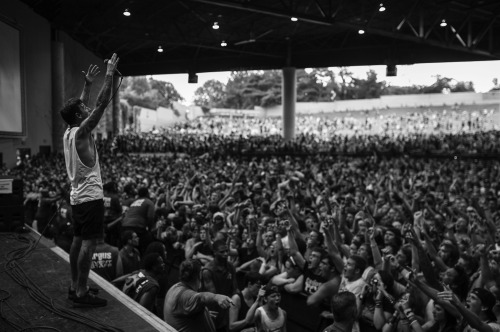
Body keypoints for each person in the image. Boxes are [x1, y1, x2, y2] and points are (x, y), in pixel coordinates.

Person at [60, 54, 119, 307]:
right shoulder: (83, 131)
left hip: (76, 196)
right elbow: (102, 103)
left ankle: (75, 285)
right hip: (90, 196)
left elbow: (81, 105)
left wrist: (87, 85)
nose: (86, 107)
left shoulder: (69, 131)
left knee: (77, 240)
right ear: (78, 116)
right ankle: (82, 292)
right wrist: (109, 74)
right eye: (83, 109)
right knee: (89, 243)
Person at [163, 259, 234, 332]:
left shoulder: (175, 287)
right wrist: (216, 297)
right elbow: (201, 297)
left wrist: (205, 314)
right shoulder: (185, 295)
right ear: (199, 275)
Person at [202, 239, 239, 332]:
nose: (226, 254)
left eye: (227, 251)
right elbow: (213, 298)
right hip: (214, 310)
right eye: (222, 252)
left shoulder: (231, 266)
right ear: (214, 252)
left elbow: (235, 289)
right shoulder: (207, 270)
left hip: (228, 307)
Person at [121, 186, 155, 255]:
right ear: (147, 194)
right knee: (149, 239)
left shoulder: (134, 201)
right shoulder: (149, 202)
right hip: (137, 227)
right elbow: (150, 218)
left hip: (124, 226)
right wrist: (150, 229)